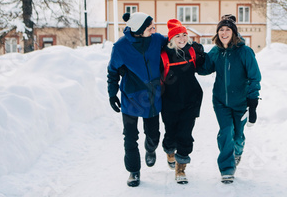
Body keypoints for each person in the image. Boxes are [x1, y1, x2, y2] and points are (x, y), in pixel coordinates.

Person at [198, 14, 261, 184]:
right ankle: (227, 168)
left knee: (238, 135)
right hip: (220, 101)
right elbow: (204, 69)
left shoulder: (245, 52)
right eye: (221, 30)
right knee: (226, 132)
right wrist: (197, 55)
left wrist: (253, 103)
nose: (224, 33)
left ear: (233, 33)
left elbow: (255, 77)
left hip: (241, 102)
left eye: (227, 30)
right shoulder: (216, 51)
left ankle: (237, 151)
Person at [107, 12, 167, 187]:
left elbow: (173, 41)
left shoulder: (156, 40)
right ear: (139, 31)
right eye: (150, 28)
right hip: (131, 97)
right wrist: (112, 94)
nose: (154, 29)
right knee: (130, 137)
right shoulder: (120, 47)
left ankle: (150, 149)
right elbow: (112, 72)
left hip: (152, 97)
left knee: (153, 135)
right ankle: (133, 171)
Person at [160, 19, 205, 184]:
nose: (182, 39)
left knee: (185, 135)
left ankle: (181, 169)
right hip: (169, 103)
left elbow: (205, 67)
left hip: (190, 100)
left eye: (184, 35)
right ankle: (169, 151)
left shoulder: (192, 52)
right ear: (171, 39)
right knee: (171, 135)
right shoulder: (163, 55)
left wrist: (202, 55)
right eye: (177, 36)